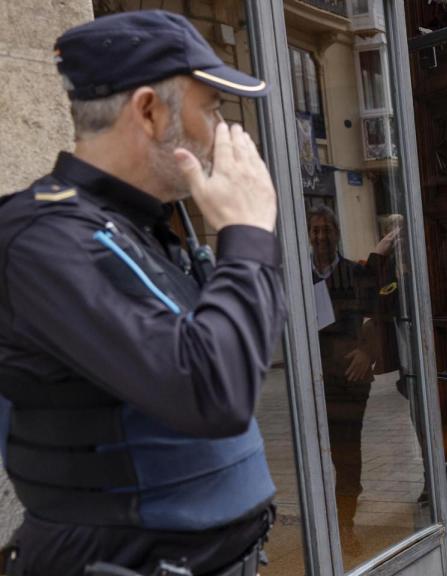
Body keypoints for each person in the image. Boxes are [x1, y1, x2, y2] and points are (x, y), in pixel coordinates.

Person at [0, 11, 287, 575]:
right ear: (151, 111)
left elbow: (237, 347)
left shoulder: (144, 225)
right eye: (212, 108)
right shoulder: (44, 239)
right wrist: (247, 232)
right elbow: (215, 392)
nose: (226, 132)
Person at [308, 205, 400, 555]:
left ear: (336, 233)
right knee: (316, 457)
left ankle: (345, 526)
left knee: (347, 458)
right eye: (315, 231)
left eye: (326, 230)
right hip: (311, 383)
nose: (320, 237)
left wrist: (367, 352)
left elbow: (376, 318)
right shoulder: (299, 278)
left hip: (348, 381)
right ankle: (322, 525)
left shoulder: (355, 274)